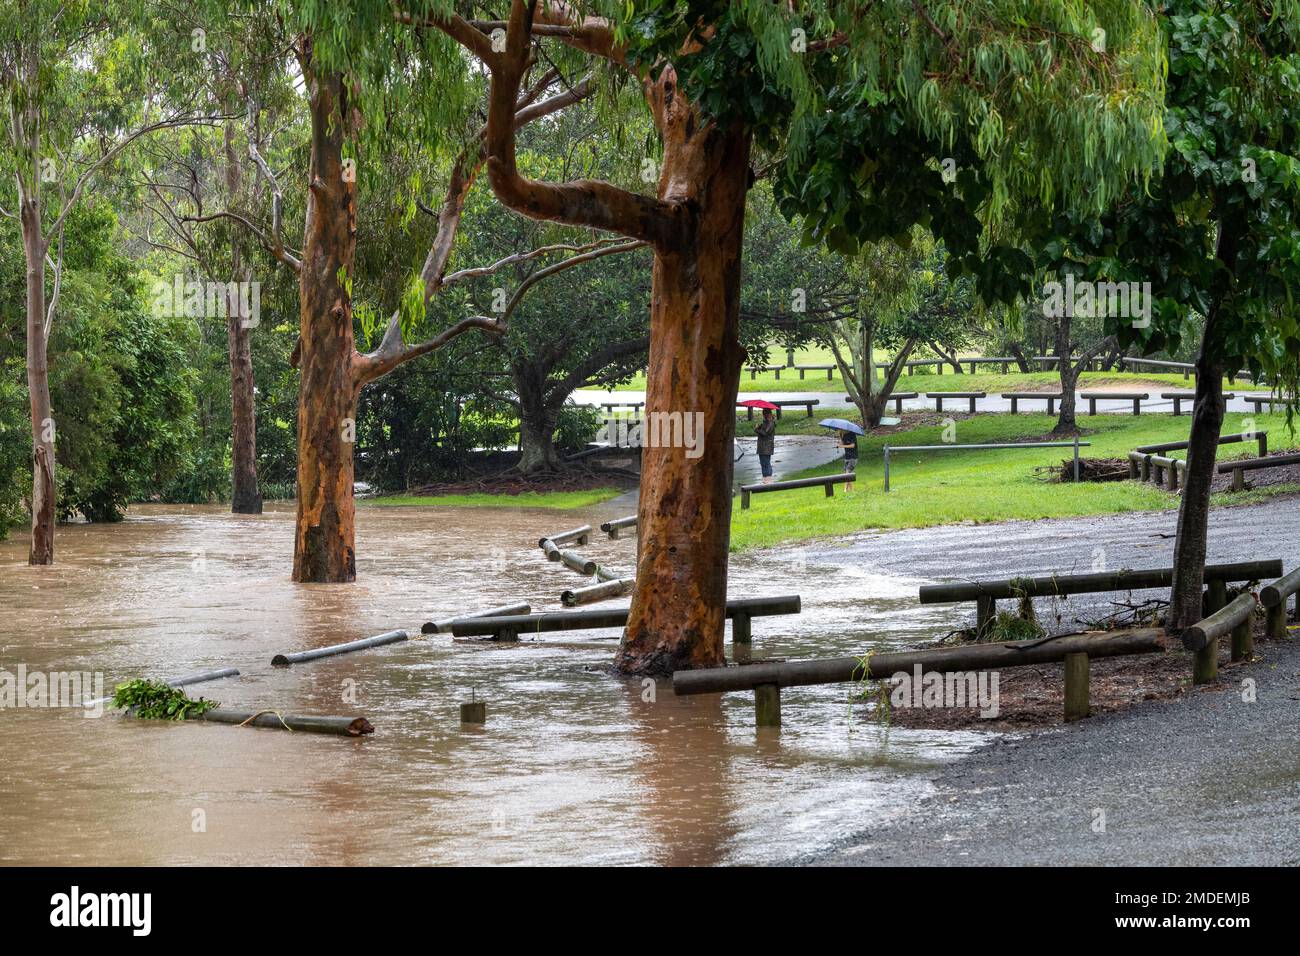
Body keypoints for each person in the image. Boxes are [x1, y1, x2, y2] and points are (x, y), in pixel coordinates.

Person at [755, 408, 777, 483]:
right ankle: (765, 480)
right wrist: (759, 427)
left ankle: (768, 480)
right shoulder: (765, 422)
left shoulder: (770, 423)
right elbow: (762, 431)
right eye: (764, 414)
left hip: (766, 446)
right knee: (763, 463)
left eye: (766, 413)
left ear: (769, 414)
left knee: (766, 463)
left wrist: (757, 430)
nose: (764, 415)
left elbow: (765, 433)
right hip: (762, 446)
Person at [838, 428, 858, 494]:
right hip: (847, 457)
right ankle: (852, 490)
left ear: (843, 429)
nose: (839, 430)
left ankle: (845, 490)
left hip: (853, 457)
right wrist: (840, 436)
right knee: (846, 474)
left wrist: (842, 446)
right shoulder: (843, 435)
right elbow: (842, 443)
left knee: (847, 473)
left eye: (840, 429)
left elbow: (852, 445)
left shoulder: (852, 434)